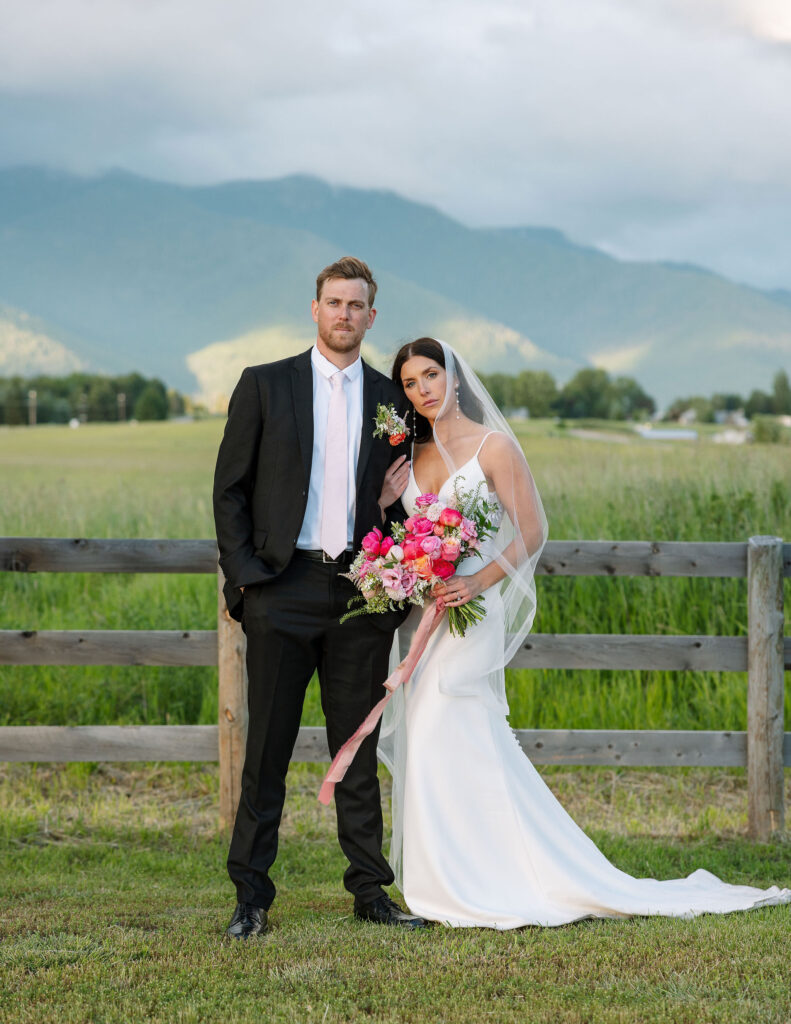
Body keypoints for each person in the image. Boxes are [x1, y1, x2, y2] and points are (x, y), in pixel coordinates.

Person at [378, 336, 791, 928]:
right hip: (429, 614)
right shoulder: (411, 458)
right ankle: (451, 874)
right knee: (430, 735)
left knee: (451, 721)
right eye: (411, 384)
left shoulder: (492, 448)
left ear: (456, 378)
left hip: (474, 612)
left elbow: (532, 530)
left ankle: (492, 877)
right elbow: (406, 535)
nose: (422, 391)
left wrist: (477, 584)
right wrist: (391, 510)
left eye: (430, 376)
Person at [213, 257, 426, 938]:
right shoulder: (264, 386)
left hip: (362, 592)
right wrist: (250, 581)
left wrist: (394, 536)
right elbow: (230, 491)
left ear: (371, 316)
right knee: (266, 751)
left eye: (355, 305)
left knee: (356, 752)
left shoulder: (393, 402)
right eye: (332, 302)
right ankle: (251, 898)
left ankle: (370, 894)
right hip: (283, 588)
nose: (343, 314)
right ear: (314, 310)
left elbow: (406, 499)